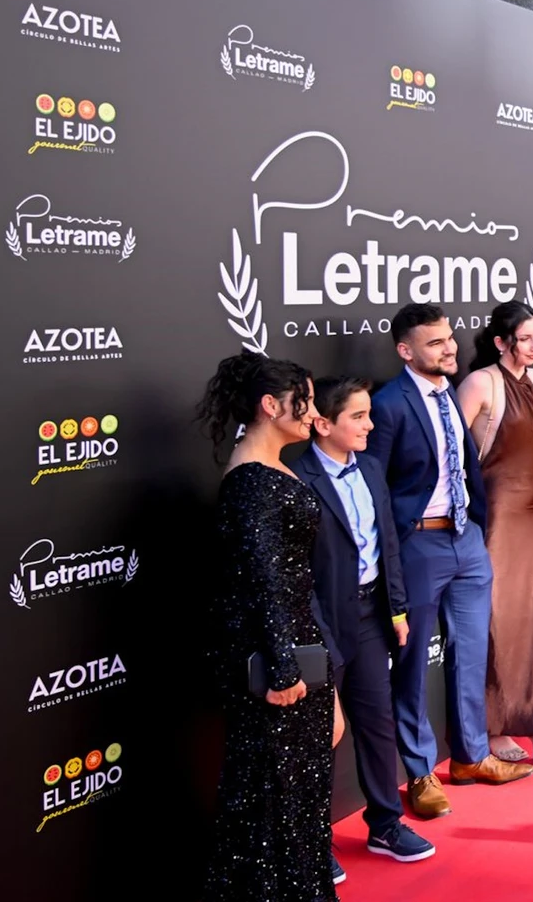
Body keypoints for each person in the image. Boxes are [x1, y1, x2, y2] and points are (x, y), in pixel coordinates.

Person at [369, 304, 533, 822]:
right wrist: (395, 553)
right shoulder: (388, 405)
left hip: (466, 542)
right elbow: (376, 489)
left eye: (450, 338)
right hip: (417, 546)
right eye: (435, 342)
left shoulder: (450, 393)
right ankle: (420, 772)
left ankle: (469, 756)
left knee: (471, 654)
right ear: (405, 351)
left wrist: (476, 529)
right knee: (412, 662)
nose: (449, 348)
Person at [199, 352, 337, 899]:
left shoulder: (272, 468)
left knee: (295, 797)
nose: (313, 414)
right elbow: (263, 581)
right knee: (270, 800)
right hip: (277, 665)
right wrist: (283, 670)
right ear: (270, 405)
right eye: (304, 401)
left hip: (296, 650)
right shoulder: (252, 483)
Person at [290, 376, 435, 870]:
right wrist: (312, 634)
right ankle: (312, 843)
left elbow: (387, 544)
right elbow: (294, 570)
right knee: (319, 734)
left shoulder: (371, 467)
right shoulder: (295, 476)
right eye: (358, 416)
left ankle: (385, 825)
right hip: (319, 622)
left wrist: (397, 608)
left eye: (369, 414)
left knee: (377, 722)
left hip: (373, 614)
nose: (370, 425)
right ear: (322, 423)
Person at [456, 301, 533, 774]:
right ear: (501, 341)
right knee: (498, 617)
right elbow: (453, 452)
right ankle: (495, 724)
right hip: (496, 511)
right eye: (524, 338)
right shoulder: (481, 382)